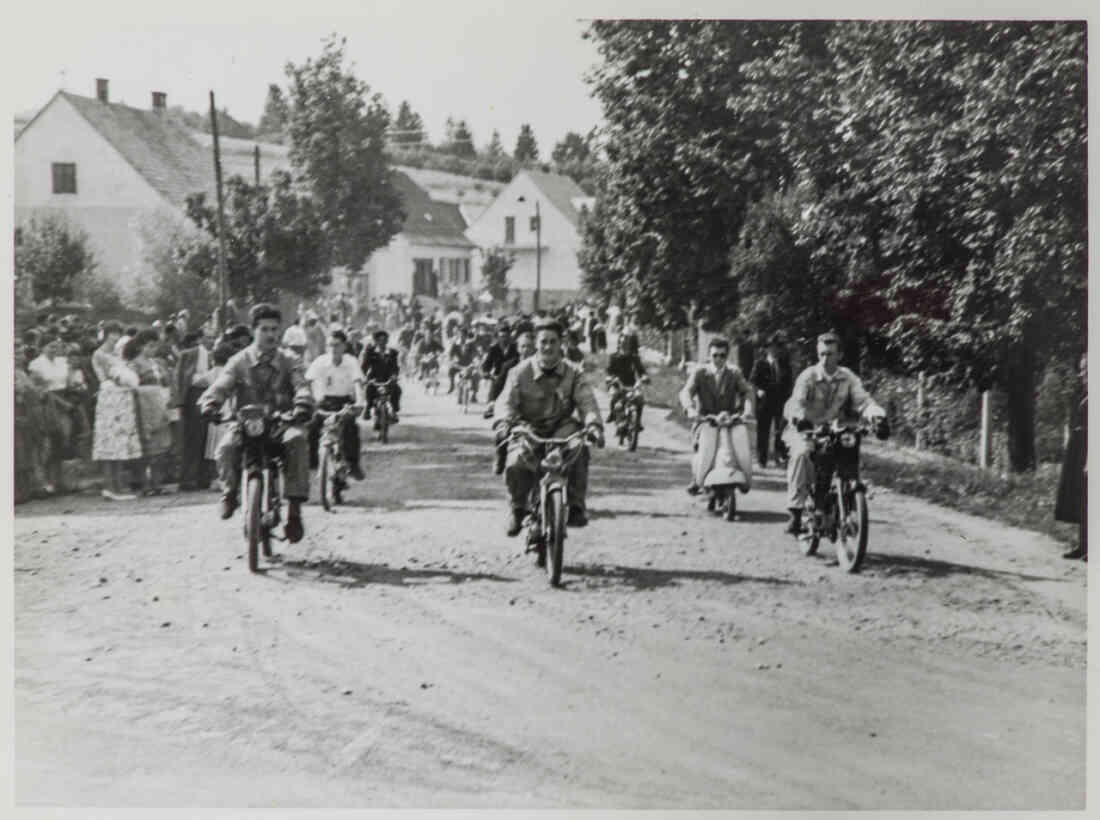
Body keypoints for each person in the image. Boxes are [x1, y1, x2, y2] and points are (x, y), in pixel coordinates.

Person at [198, 303, 315, 543]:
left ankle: (294, 512)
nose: (270, 334)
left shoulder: (289, 360)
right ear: (254, 330)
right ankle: (229, 494)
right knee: (226, 448)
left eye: (274, 329)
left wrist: (302, 404)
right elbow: (222, 385)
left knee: (298, 441)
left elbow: (301, 384)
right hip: (246, 423)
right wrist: (210, 403)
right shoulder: (239, 361)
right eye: (264, 329)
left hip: (280, 423)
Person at [493, 318, 604, 535]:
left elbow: (587, 401)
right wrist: (504, 422)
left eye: (553, 342)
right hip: (529, 427)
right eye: (543, 341)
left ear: (561, 343)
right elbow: (506, 401)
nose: (548, 347)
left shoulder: (573, 373)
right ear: (536, 343)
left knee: (579, 449)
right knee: (515, 462)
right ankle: (517, 509)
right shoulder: (519, 372)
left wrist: (593, 425)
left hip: (562, 426)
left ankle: (576, 505)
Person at [783, 331, 888, 535]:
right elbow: (796, 403)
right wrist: (800, 419)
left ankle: (844, 499)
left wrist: (877, 417)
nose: (825, 358)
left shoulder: (847, 377)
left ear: (839, 355)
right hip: (806, 429)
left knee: (846, 453)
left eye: (830, 354)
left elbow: (863, 400)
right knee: (802, 453)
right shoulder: (808, 377)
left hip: (835, 429)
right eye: (822, 354)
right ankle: (795, 512)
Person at [679, 336, 755, 496]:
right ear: (709, 355)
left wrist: (747, 409)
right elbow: (686, 392)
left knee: (739, 446)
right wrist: (691, 409)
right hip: (706, 420)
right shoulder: (700, 373)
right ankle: (697, 477)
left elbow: (746, 392)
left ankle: (743, 475)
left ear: (727, 356)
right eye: (715, 355)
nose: (718, 359)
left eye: (722, 355)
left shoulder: (734, 373)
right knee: (704, 449)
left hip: (729, 420)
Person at [306, 328, 365, 481]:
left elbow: (358, 383)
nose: (333, 349)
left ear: (344, 346)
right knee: (312, 426)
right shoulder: (320, 362)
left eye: (337, 345)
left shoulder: (351, 362)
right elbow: (309, 382)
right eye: (330, 345)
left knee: (350, 429)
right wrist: (311, 399)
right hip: (324, 401)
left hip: (345, 401)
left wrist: (359, 402)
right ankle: (312, 461)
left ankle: (353, 465)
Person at [1057, 353, 1087, 560]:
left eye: (1086, 370)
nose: (1082, 375)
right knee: (1082, 498)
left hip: (1090, 450)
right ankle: (1084, 545)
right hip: (1081, 449)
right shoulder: (1085, 394)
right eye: (1082, 370)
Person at [175, 331, 213, 491]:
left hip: (209, 395)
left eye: (212, 337)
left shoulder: (213, 354)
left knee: (206, 437)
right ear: (200, 339)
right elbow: (180, 377)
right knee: (193, 437)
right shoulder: (189, 354)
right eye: (208, 337)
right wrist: (180, 401)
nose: (211, 340)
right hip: (194, 395)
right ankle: (187, 479)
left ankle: (202, 478)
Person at [750, 333, 794, 468]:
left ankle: (779, 457)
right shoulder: (760, 363)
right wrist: (758, 391)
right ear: (767, 349)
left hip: (780, 402)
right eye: (771, 348)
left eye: (776, 348)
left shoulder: (784, 363)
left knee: (780, 430)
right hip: (765, 402)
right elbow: (753, 380)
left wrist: (789, 398)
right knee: (763, 431)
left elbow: (789, 382)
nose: (774, 350)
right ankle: (761, 459)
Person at [606, 332, 648, 428]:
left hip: (631, 385)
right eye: (622, 343)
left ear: (630, 345)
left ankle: (637, 421)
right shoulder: (614, 357)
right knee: (614, 397)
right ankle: (613, 414)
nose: (625, 345)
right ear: (619, 344)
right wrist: (611, 378)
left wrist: (644, 377)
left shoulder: (634, 358)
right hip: (617, 384)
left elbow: (641, 370)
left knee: (640, 399)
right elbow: (609, 371)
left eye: (627, 343)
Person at [361, 329, 402, 422]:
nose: (382, 342)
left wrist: (394, 376)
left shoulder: (393, 352)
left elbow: (395, 367)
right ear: (375, 341)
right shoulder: (370, 352)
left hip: (388, 378)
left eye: (384, 340)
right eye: (379, 340)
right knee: (368, 389)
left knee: (397, 390)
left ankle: (394, 411)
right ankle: (367, 408)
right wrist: (364, 378)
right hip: (374, 378)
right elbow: (364, 366)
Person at [481, 320, 520, 418]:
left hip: (515, 376)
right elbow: (487, 363)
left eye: (506, 337)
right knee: (494, 382)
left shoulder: (516, 348)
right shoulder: (494, 348)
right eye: (501, 337)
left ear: (510, 337)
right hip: (498, 376)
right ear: (498, 337)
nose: (504, 339)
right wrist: (486, 372)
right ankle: (491, 405)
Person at [446, 326, 479, 394]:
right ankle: (452, 385)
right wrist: (450, 359)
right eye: (460, 335)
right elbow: (450, 354)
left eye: (463, 335)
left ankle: (474, 395)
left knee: (476, 375)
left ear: (466, 336)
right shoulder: (455, 344)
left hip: (469, 364)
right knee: (450, 370)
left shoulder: (471, 344)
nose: (461, 337)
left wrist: (476, 360)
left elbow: (475, 353)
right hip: (459, 364)